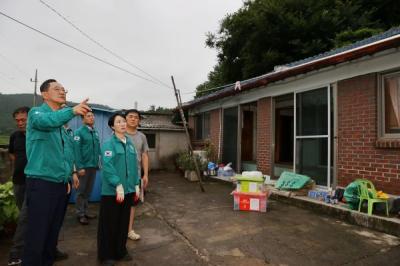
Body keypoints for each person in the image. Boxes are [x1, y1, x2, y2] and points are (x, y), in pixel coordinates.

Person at [23, 79, 91, 266]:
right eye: (57, 89)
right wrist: (71, 111)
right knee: (37, 234)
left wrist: (70, 175)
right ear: (44, 94)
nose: (62, 92)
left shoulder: (62, 124)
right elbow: (47, 122)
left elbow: (67, 153)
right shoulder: (36, 113)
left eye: (64, 89)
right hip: (41, 183)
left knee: (53, 233)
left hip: (60, 184)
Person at [97, 112, 139, 266]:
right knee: (109, 224)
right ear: (112, 126)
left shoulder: (130, 144)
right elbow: (107, 167)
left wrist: (136, 184)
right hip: (112, 192)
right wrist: (117, 184)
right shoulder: (108, 144)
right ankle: (106, 255)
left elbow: (134, 167)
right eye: (119, 122)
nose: (123, 124)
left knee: (122, 223)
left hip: (128, 191)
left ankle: (121, 250)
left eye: (123, 121)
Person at [8, 107, 29, 266]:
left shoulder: (38, 135)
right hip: (18, 182)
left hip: (34, 182)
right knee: (25, 215)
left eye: (23, 119)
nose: (20, 123)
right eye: (18, 121)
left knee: (24, 217)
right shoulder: (14, 136)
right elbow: (12, 154)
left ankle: (16, 253)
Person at [125, 109, 149, 241]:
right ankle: (118, 230)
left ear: (139, 120)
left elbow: (144, 155)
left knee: (133, 204)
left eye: (136, 117)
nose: (133, 119)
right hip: (121, 176)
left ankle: (129, 230)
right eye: (130, 117)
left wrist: (145, 174)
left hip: (136, 176)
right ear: (126, 119)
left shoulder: (142, 136)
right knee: (119, 203)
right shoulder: (119, 134)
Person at [74, 111, 101, 225]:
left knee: (88, 191)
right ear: (83, 119)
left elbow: (97, 149)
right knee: (81, 191)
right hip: (84, 167)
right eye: (88, 116)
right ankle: (80, 214)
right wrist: (79, 167)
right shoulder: (78, 132)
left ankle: (85, 211)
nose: (91, 117)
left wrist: (98, 163)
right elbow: (76, 151)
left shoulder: (95, 132)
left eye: (92, 116)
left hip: (93, 166)